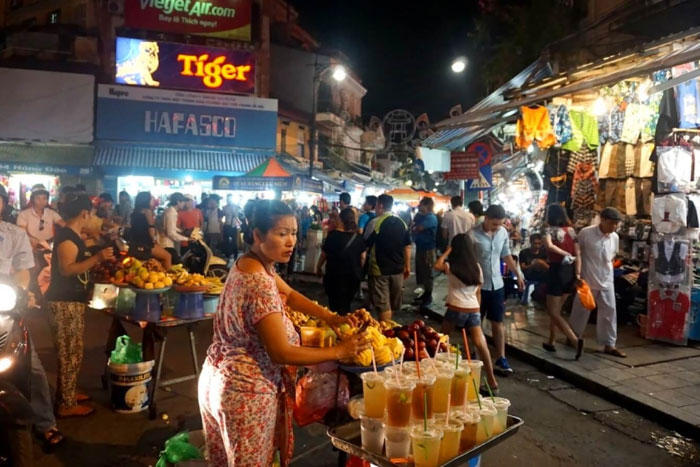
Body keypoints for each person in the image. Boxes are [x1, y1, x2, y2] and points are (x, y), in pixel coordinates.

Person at [198, 199, 369, 466]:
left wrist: (332, 318)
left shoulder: (250, 263)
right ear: (257, 235)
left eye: (293, 233)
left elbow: (289, 295)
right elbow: (280, 352)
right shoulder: (259, 283)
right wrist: (340, 351)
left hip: (219, 380)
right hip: (246, 393)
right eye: (281, 233)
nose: (291, 241)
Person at [0, 185, 65, 446]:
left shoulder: (13, 234)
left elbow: (24, 270)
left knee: (33, 368)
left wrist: (22, 291)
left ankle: (45, 422)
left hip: (5, 309)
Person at [46, 193, 114, 417]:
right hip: (63, 302)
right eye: (92, 214)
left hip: (72, 300)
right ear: (85, 213)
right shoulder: (67, 237)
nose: (93, 217)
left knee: (74, 350)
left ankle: (69, 393)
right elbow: (67, 269)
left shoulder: (74, 234)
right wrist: (98, 259)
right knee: (69, 353)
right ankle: (66, 405)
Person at [435, 233, 499, 393]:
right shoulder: (476, 267)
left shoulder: (451, 266)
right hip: (473, 309)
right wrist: (477, 308)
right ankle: (492, 381)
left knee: (441, 340)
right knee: (481, 343)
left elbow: (437, 264)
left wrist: (448, 250)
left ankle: (437, 374)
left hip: (455, 307)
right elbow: (478, 292)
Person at [469, 204, 523, 375]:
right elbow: (468, 260)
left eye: (500, 224)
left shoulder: (502, 233)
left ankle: (501, 357)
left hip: (497, 284)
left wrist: (518, 273)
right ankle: (476, 354)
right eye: (494, 224)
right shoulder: (472, 235)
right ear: (486, 219)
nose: (497, 227)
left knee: (498, 322)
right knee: (477, 322)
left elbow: (505, 254)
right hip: (478, 286)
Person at [570, 207, 626, 358]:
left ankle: (609, 344)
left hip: (607, 279)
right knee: (580, 310)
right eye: (612, 223)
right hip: (587, 279)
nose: (615, 227)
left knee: (609, 311)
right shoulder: (586, 233)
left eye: (617, 224)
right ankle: (573, 337)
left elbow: (612, 257)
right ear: (603, 220)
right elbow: (578, 254)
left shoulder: (614, 237)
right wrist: (577, 274)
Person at [542, 205, 584, 358]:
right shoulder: (571, 231)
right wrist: (578, 274)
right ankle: (551, 341)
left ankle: (574, 340)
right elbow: (578, 253)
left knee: (552, 311)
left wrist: (563, 252)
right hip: (570, 272)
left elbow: (549, 245)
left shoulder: (548, 230)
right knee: (557, 311)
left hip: (556, 271)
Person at [366, 194, 412, 321]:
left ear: (380, 205)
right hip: (398, 270)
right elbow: (407, 246)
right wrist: (407, 266)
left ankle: (386, 335)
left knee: (383, 306)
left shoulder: (375, 223)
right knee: (392, 304)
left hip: (379, 270)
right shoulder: (402, 223)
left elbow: (365, 245)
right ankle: (390, 329)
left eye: (376, 206)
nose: (375, 208)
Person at [316, 208, 367, 314]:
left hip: (333, 276)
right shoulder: (358, 238)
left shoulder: (333, 236)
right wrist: (359, 269)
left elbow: (324, 254)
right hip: (352, 277)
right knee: (346, 303)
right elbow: (363, 257)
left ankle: (334, 322)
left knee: (334, 304)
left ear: (341, 220)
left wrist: (318, 267)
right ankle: (345, 321)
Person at [130, 192, 172, 269]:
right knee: (167, 256)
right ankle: (169, 277)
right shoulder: (147, 212)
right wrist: (155, 240)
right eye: (151, 199)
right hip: (146, 244)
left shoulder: (134, 213)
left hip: (135, 243)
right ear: (146, 200)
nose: (153, 200)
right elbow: (151, 232)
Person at [16, 185, 65, 249]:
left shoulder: (51, 213)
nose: (41, 201)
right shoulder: (24, 214)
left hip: (49, 244)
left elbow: (64, 224)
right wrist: (34, 240)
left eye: (44, 198)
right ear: (33, 199)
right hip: (31, 245)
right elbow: (21, 232)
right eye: (38, 198)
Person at [413, 197, 438, 310]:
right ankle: (425, 294)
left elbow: (418, 228)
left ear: (426, 205)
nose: (419, 206)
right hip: (421, 247)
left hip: (428, 249)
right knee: (422, 272)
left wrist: (415, 228)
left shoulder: (430, 217)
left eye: (421, 204)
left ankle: (428, 296)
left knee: (428, 272)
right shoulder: (423, 217)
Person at [160, 192, 188, 265]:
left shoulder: (171, 211)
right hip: (166, 244)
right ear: (178, 202)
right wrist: (187, 239)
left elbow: (170, 226)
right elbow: (170, 233)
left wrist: (181, 231)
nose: (184, 204)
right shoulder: (171, 213)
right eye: (183, 202)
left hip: (166, 243)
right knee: (178, 265)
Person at [222, 194, 241, 259]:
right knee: (226, 241)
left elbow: (236, 215)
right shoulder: (224, 207)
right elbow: (223, 215)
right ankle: (227, 255)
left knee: (234, 242)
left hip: (233, 226)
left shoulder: (235, 206)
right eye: (228, 198)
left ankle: (235, 255)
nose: (228, 200)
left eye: (230, 198)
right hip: (226, 225)